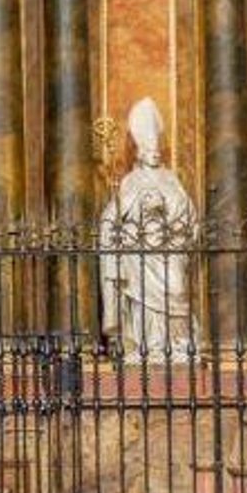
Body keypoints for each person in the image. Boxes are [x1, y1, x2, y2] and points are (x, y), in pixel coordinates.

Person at [99, 97, 198, 358]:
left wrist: (165, 208)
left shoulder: (171, 178)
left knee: (177, 288)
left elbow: (188, 212)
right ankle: (148, 344)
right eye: (148, 149)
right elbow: (112, 218)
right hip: (140, 254)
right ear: (140, 151)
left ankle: (177, 344)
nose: (154, 153)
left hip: (169, 247)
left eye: (157, 149)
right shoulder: (130, 181)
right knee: (143, 299)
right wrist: (142, 207)